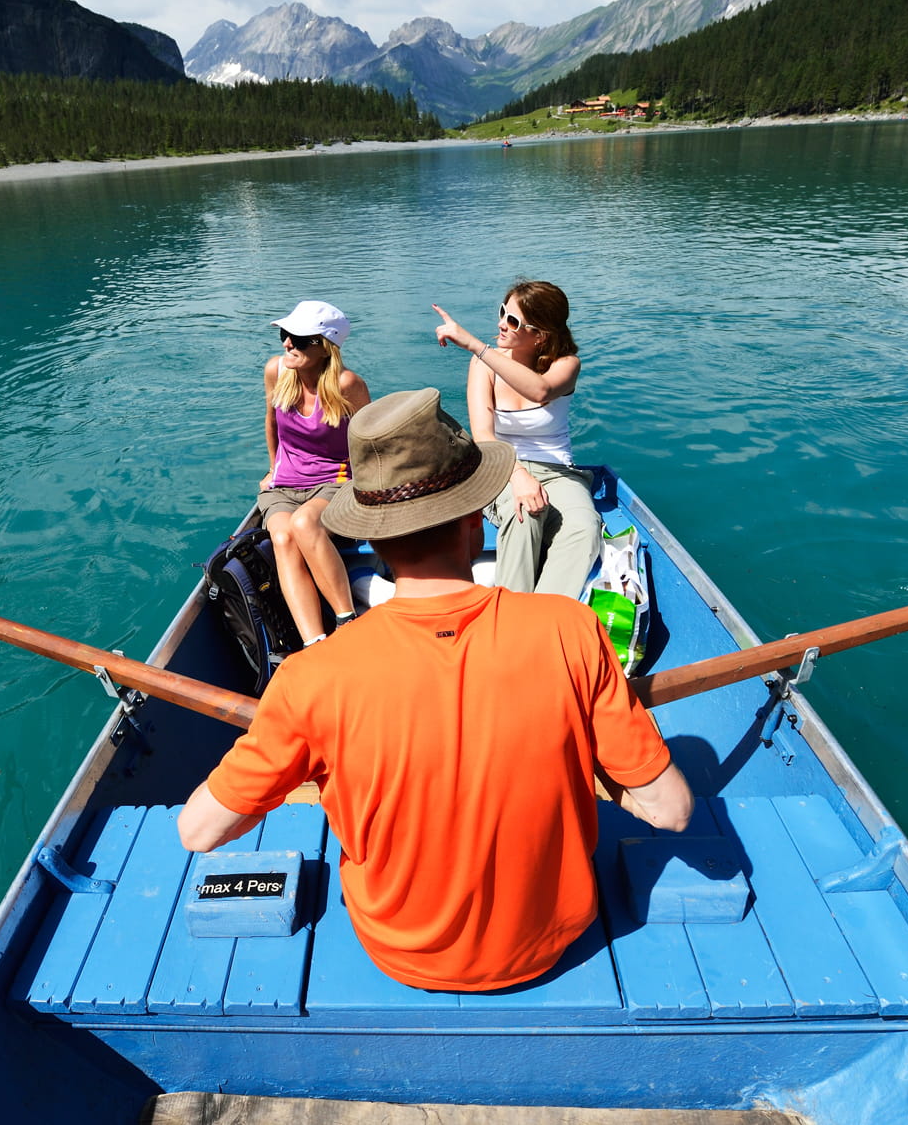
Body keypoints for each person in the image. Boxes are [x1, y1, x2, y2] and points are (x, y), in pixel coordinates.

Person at [179, 388, 692, 992]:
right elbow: (672, 810)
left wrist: (317, 772)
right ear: (477, 522)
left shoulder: (309, 680)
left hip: (400, 954)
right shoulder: (571, 629)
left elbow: (199, 831)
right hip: (552, 939)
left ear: (373, 541)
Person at [432, 282, 600, 600]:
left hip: (558, 470)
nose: (500, 324)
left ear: (540, 335)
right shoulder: (484, 365)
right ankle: (512, 615)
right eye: (502, 313)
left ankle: (544, 615)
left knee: (584, 528)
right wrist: (518, 474)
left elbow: (540, 390)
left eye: (513, 321)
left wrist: (474, 345)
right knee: (526, 515)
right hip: (501, 466)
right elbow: (483, 436)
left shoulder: (566, 365)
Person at [259, 300, 371, 644]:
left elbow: (370, 440)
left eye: (299, 338)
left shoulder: (346, 384)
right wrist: (272, 468)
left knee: (304, 523)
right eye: (285, 334)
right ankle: (315, 642)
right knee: (282, 537)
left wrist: (370, 491)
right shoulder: (277, 371)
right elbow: (270, 422)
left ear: (325, 347)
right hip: (284, 484)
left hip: (335, 481)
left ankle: (347, 621)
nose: (287, 343)